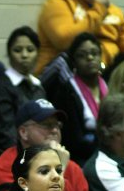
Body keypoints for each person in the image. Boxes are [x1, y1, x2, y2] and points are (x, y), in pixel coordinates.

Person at [44, 33, 107, 165]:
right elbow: (73, 140)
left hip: (108, 152)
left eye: (94, 53)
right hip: (81, 159)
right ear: (73, 62)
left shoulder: (107, 86)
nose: (90, 58)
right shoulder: (66, 92)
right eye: (82, 55)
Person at [0, 26, 46, 151]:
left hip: (40, 151)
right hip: (13, 155)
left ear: (38, 53)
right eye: (17, 50)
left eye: (30, 50)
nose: (24, 55)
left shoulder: (38, 86)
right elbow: (5, 135)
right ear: (9, 54)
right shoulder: (0, 88)